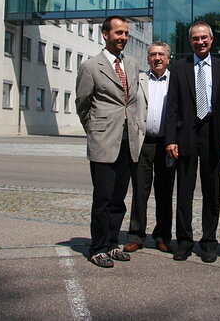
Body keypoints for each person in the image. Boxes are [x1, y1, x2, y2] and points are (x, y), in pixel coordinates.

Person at [75, 16, 141, 268]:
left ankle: (113, 244)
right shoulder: (91, 66)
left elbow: (132, 102)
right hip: (104, 141)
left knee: (118, 199)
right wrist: (95, 131)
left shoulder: (133, 65)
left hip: (128, 141)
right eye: (118, 33)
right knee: (102, 198)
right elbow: (83, 104)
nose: (123, 37)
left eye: (125, 33)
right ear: (105, 34)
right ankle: (98, 248)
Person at [164, 21, 220, 263]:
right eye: (195, 38)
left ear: (211, 39)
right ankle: (184, 242)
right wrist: (171, 139)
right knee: (184, 193)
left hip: (212, 134)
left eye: (204, 38)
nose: (200, 42)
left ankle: (209, 243)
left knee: (212, 193)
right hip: (185, 135)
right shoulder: (180, 67)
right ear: (190, 41)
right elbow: (172, 107)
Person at [123, 41, 175, 254]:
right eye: (153, 54)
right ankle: (136, 235)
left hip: (167, 144)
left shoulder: (176, 80)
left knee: (165, 192)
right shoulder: (140, 79)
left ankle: (162, 236)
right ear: (148, 58)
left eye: (161, 54)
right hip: (143, 143)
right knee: (139, 192)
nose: (157, 58)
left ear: (168, 58)